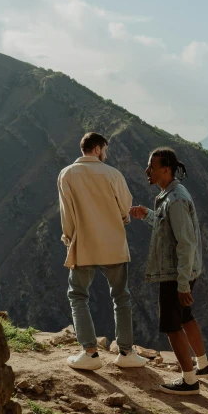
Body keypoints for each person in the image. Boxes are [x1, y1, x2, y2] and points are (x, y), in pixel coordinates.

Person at [57, 132, 146, 371]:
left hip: (84, 243)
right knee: (121, 296)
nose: (105, 154)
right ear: (97, 149)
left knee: (78, 295)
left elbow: (66, 213)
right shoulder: (112, 173)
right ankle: (126, 352)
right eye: (104, 149)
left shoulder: (66, 174)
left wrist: (69, 238)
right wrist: (124, 217)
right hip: (113, 244)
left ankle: (89, 352)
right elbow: (125, 205)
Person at [129, 147, 208, 395]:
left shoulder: (174, 200)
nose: (147, 171)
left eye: (151, 167)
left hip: (175, 273)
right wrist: (147, 215)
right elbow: (171, 230)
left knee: (171, 325)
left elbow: (185, 243)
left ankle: (189, 381)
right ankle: (203, 364)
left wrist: (182, 285)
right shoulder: (172, 195)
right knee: (185, 316)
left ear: (165, 169)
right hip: (184, 271)